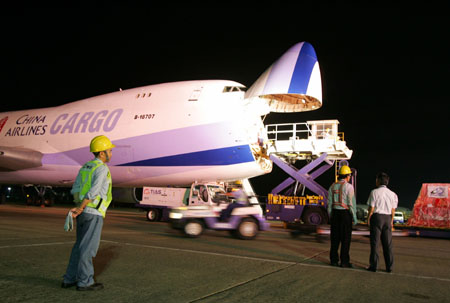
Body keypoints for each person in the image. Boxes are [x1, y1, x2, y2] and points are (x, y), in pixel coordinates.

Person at [61, 135, 115, 291]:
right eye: (109, 150)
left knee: (79, 246)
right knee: (87, 249)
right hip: (93, 213)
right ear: (102, 153)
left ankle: (69, 279)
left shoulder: (86, 166)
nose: (111, 153)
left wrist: (79, 207)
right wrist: (82, 207)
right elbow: (94, 191)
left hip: (84, 213)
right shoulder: (102, 168)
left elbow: (76, 189)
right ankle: (85, 282)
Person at [366, 172, 398, 273]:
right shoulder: (393, 194)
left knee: (375, 243)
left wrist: (368, 219)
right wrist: (391, 221)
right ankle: (389, 267)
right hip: (387, 218)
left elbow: (371, 207)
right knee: (388, 244)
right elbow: (393, 210)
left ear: (379, 181)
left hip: (377, 218)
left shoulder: (374, 192)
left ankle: (374, 266)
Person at [327, 165, 357, 268]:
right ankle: (344, 262)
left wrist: (331, 216)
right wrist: (354, 218)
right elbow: (351, 204)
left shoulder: (332, 186)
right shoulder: (349, 187)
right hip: (345, 215)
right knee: (345, 239)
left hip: (335, 214)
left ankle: (333, 260)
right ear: (347, 176)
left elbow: (329, 203)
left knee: (334, 239)